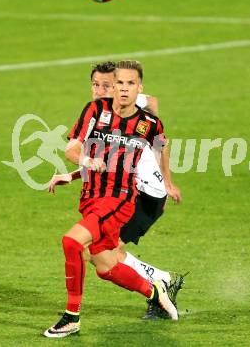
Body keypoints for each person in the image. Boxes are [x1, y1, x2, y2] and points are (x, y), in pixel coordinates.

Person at [44, 60, 178, 338]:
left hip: (140, 195)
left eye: (108, 84)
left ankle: (72, 317)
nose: (101, 90)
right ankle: (156, 288)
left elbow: (158, 134)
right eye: (98, 85)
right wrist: (74, 173)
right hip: (101, 194)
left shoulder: (143, 119)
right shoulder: (97, 112)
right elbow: (97, 157)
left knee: (75, 243)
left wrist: (167, 182)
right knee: (102, 262)